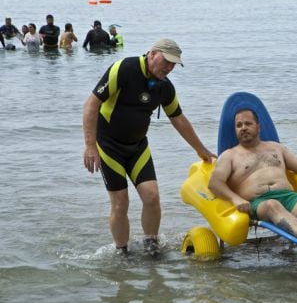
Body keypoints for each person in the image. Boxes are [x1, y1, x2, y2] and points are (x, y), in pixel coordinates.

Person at [82, 38, 216, 255]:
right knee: (120, 203)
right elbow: (91, 104)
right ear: (153, 54)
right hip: (109, 147)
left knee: (152, 197)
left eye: (174, 64)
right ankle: (121, 251)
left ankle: (151, 245)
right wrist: (90, 146)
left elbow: (178, 118)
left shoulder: (165, 87)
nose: (169, 68)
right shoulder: (124, 69)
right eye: (167, 61)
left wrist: (200, 149)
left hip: (137, 147)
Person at [209, 108, 297, 249]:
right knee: (272, 205)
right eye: (239, 125)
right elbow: (214, 183)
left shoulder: (276, 148)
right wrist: (235, 199)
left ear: (259, 127)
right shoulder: (229, 155)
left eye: (248, 123)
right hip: (258, 202)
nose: (243, 128)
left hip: (288, 197)